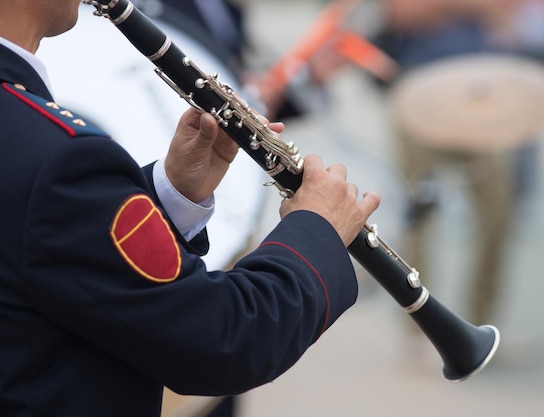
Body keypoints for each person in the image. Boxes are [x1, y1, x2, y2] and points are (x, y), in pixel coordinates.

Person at [0, 0, 381, 415]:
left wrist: (170, 194)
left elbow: (44, 248)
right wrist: (316, 229)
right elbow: (227, 338)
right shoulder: (58, 160)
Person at [372, 0, 515, 326]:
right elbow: (403, 13)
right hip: (420, 94)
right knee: (418, 219)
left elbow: (507, 18)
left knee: (498, 213)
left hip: (477, 98)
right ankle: (422, 329)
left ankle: (483, 325)